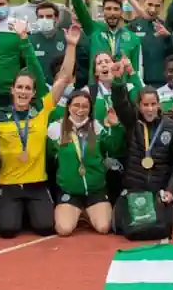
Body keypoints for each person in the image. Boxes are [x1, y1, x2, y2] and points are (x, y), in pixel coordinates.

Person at [0, 25, 74, 238]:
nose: (23, 92)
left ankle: (27, 212)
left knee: (45, 227)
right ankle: (14, 211)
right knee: (7, 230)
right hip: (8, 183)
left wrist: (70, 46)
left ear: (33, 93)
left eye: (27, 89)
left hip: (36, 183)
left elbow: (65, 78)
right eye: (19, 87)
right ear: (12, 90)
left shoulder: (42, 109)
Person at [110, 71, 173, 242]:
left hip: (159, 189)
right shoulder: (131, 122)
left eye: (153, 104)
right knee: (132, 232)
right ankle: (121, 208)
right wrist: (119, 81)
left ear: (159, 104)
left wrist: (171, 190)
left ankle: (167, 209)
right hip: (135, 189)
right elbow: (120, 103)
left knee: (161, 229)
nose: (149, 109)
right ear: (139, 106)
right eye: (145, 105)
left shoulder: (171, 127)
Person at [47, 83, 123, 237]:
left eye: (85, 106)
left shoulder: (96, 127)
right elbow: (49, 159)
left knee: (104, 227)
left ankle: (88, 213)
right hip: (70, 191)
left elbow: (114, 148)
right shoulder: (55, 129)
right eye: (76, 105)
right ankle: (77, 212)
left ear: (90, 109)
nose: (80, 110)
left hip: (95, 190)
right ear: (68, 107)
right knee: (64, 229)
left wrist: (115, 127)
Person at [65, 0, 144, 74]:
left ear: (121, 12)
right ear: (103, 11)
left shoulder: (132, 38)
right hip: (98, 89)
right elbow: (79, 7)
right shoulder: (93, 29)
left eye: (116, 9)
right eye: (108, 9)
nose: (112, 13)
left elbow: (136, 72)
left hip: (123, 89)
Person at [128, 0, 173, 89]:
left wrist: (169, 37)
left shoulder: (166, 27)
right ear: (143, 2)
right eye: (150, 4)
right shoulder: (132, 26)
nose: (153, 9)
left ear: (162, 7)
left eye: (157, 6)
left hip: (160, 84)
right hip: (137, 83)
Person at [29, 1, 70, 84]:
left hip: (61, 88)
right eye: (41, 17)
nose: (44, 19)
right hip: (39, 89)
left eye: (49, 16)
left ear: (57, 18)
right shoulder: (30, 39)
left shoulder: (67, 37)